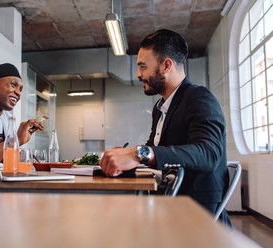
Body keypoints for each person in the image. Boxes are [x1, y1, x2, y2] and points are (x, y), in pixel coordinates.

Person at [99, 29, 231, 226]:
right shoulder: (160, 107)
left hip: (197, 211)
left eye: (143, 67)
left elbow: (208, 153)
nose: (138, 74)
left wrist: (139, 153)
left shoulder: (200, 98)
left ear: (166, 65)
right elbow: (156, 148)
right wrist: (128, 154)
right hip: (171, 199)